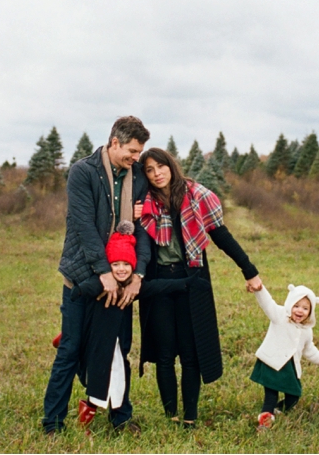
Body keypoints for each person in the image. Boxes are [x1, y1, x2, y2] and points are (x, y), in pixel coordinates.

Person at [137, 147, 262, 428]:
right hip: (158, 286)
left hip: (192, 280)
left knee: (192, 353)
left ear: (171, 166)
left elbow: (221, 235)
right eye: (149, 170)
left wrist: (249, 270)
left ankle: (190, 417)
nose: (157, 174)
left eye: (161, 167)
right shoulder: (143, 203)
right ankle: (171, 416)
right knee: (165, 354)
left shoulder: (196, 196)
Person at [41, 116, 151, 435]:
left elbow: (141, 231)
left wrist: (137, 274)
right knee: (72, 348)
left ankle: (121, 417)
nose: (136, 157)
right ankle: (53, 422)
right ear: (114, 142)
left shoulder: (137, 177)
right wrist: (102, 270)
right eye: (131, 150)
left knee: (119, 348)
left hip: (122, 278)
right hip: (82, 277)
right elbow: (83, 224)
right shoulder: (83, 172)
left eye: (139, 152)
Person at [66, 221, 206, 430]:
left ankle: (118, 419)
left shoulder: (133, 289)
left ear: (133, 267)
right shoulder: (101, 285)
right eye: (115, 265)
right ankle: (86, 421)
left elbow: (159, 286)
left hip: (120, 344)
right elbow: (84, 289)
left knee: (119, 377)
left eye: (125, 265)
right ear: (108, 266)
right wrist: (77, 292)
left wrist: (187, 282)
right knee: (97, 380)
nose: (121, 269)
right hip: (99, 343)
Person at [250, 283, 319, 432]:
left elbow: (309, 350)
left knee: (294, 395)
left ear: (310, 312)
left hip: (289, 367)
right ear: (290, 304)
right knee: (271, 395)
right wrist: (260, 289)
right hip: (272, 363)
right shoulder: (280, 316)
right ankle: (264, 423)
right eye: (296, 306)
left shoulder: (306, 331)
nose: (300, 310)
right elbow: (267, 303)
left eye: (305, 308)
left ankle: (278, 411)